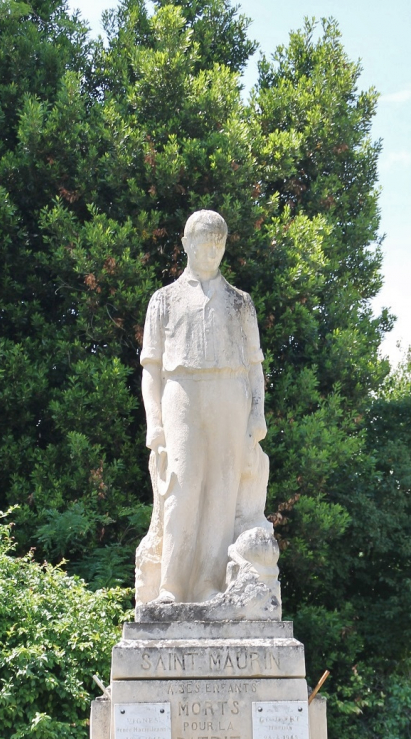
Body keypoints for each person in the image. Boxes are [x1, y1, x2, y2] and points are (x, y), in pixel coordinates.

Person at [137, 210, 268, 606]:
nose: (211, 250)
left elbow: (255, 367)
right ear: (185, 245)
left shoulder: (241, 303)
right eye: (202, 241)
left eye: (218, 242)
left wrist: (257, 413)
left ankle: (210, 584)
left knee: (222, 492)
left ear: (225, 246)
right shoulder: (163, 300)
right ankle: (171, 586)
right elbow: (151, 371)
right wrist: (154, 423)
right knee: (181, 487)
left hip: (230, 393)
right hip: (183, 394)